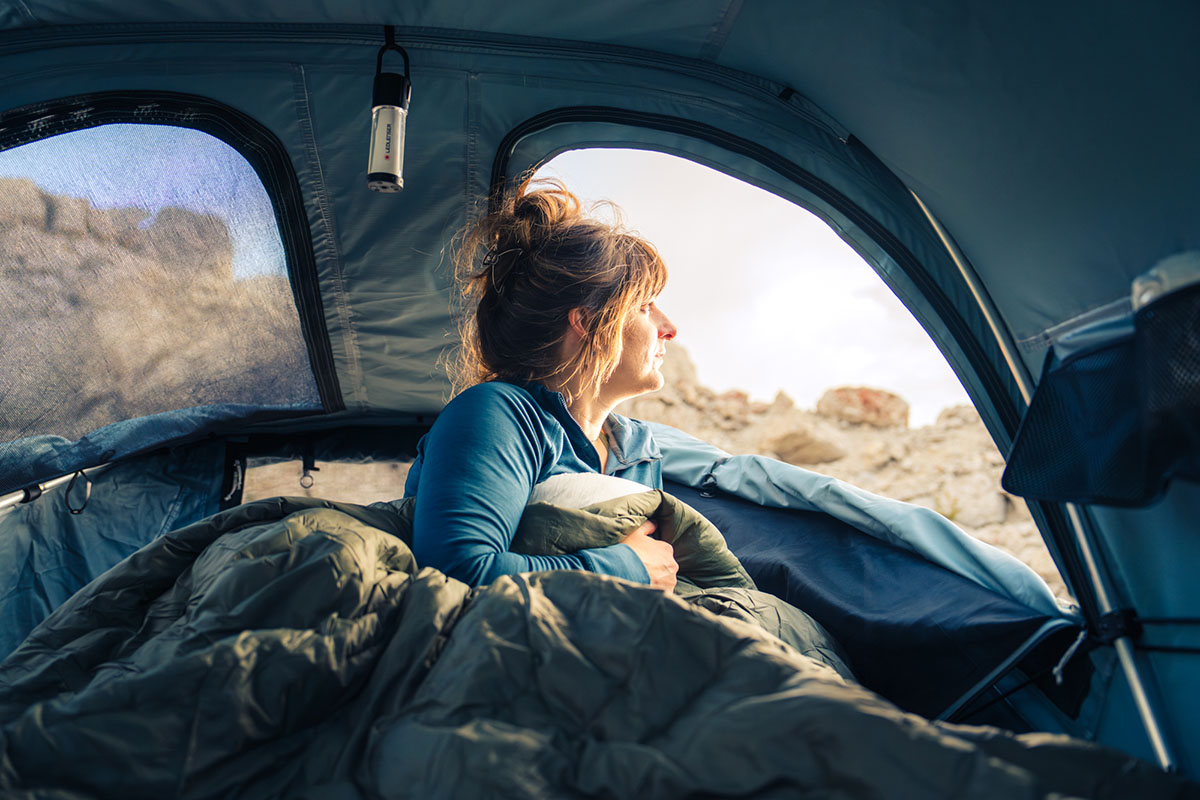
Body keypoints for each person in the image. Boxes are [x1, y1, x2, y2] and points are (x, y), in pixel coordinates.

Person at [403, 178, 680, 590]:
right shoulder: (498, 414)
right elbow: (456, 573)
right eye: (644, 306)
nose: (669, 329)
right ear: (587, 322)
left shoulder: (639, 449)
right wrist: (628, 568)